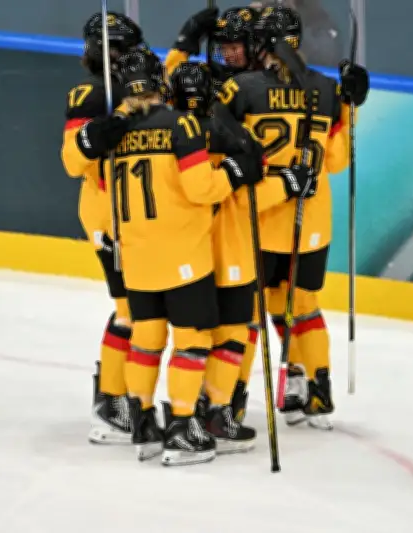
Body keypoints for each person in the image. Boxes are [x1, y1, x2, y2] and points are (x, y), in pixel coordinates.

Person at [102, 50, 264, 466]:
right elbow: (202, 190)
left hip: (136, 257)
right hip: (183, 256)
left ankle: (142, 424)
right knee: (192, 341)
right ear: (161, 83)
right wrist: (233, 170)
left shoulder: (117, 132)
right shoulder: (181, 125)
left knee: (146, 340)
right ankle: (182, 428)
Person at [216, 6, 369, 429]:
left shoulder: (241, 89)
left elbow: (220, 149)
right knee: (302, 308)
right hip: (312, 224)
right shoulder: (326, 89)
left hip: (260, 219)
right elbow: (336, 162)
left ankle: (232, 402)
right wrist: (351, 107)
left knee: (246, 316)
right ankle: (317, 393)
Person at [60, 12, 145, 445]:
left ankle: (122, 396)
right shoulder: (91, 95)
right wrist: (101, 132)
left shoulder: (138, 87)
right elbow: (73, 159)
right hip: (108, 218)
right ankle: (111, 402)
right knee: (130, 310)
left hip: (138, 217)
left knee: (140, 309)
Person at [168, 61, 260, 453]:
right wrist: (287, 182)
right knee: (232, 335)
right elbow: (249, 191)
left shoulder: (165, 132)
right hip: (230, 248)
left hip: (189, 253)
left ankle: (188, 413)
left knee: (195, 338)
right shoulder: (233, 135)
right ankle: (216, 412)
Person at [166, 6, 260, 88]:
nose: (227, 55)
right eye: (223, 48)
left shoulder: (267, 82)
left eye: (234, 48)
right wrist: (183, 45)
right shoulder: (209, 81)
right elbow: (168, 85)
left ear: (253, 46)